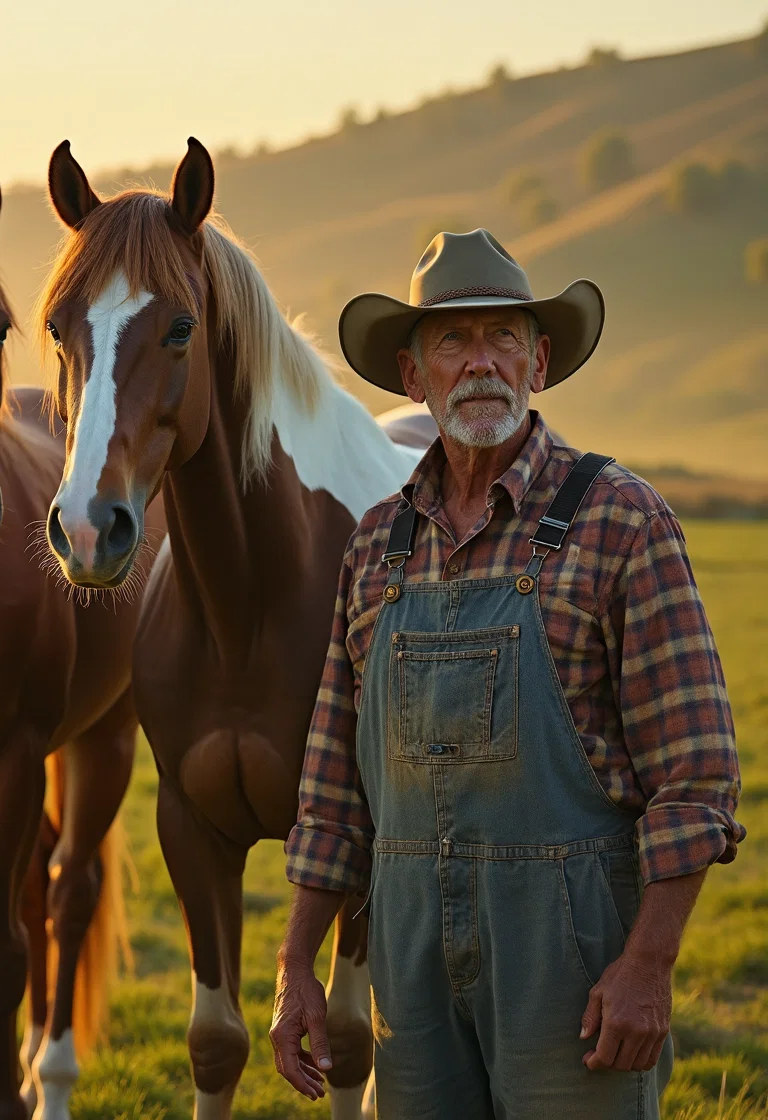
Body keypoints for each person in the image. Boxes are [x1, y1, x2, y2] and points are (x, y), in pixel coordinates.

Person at [269, 229, 743, 1118]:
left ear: (541, 360)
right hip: (406, 977)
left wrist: (647, 966)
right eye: (453, 340)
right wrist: (297, 963)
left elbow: (698, 777)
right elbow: (332, 791)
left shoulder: (622, 521)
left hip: (569, 974)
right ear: (413, 375)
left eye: (504, 338)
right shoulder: (374, 545)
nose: (480, 363)